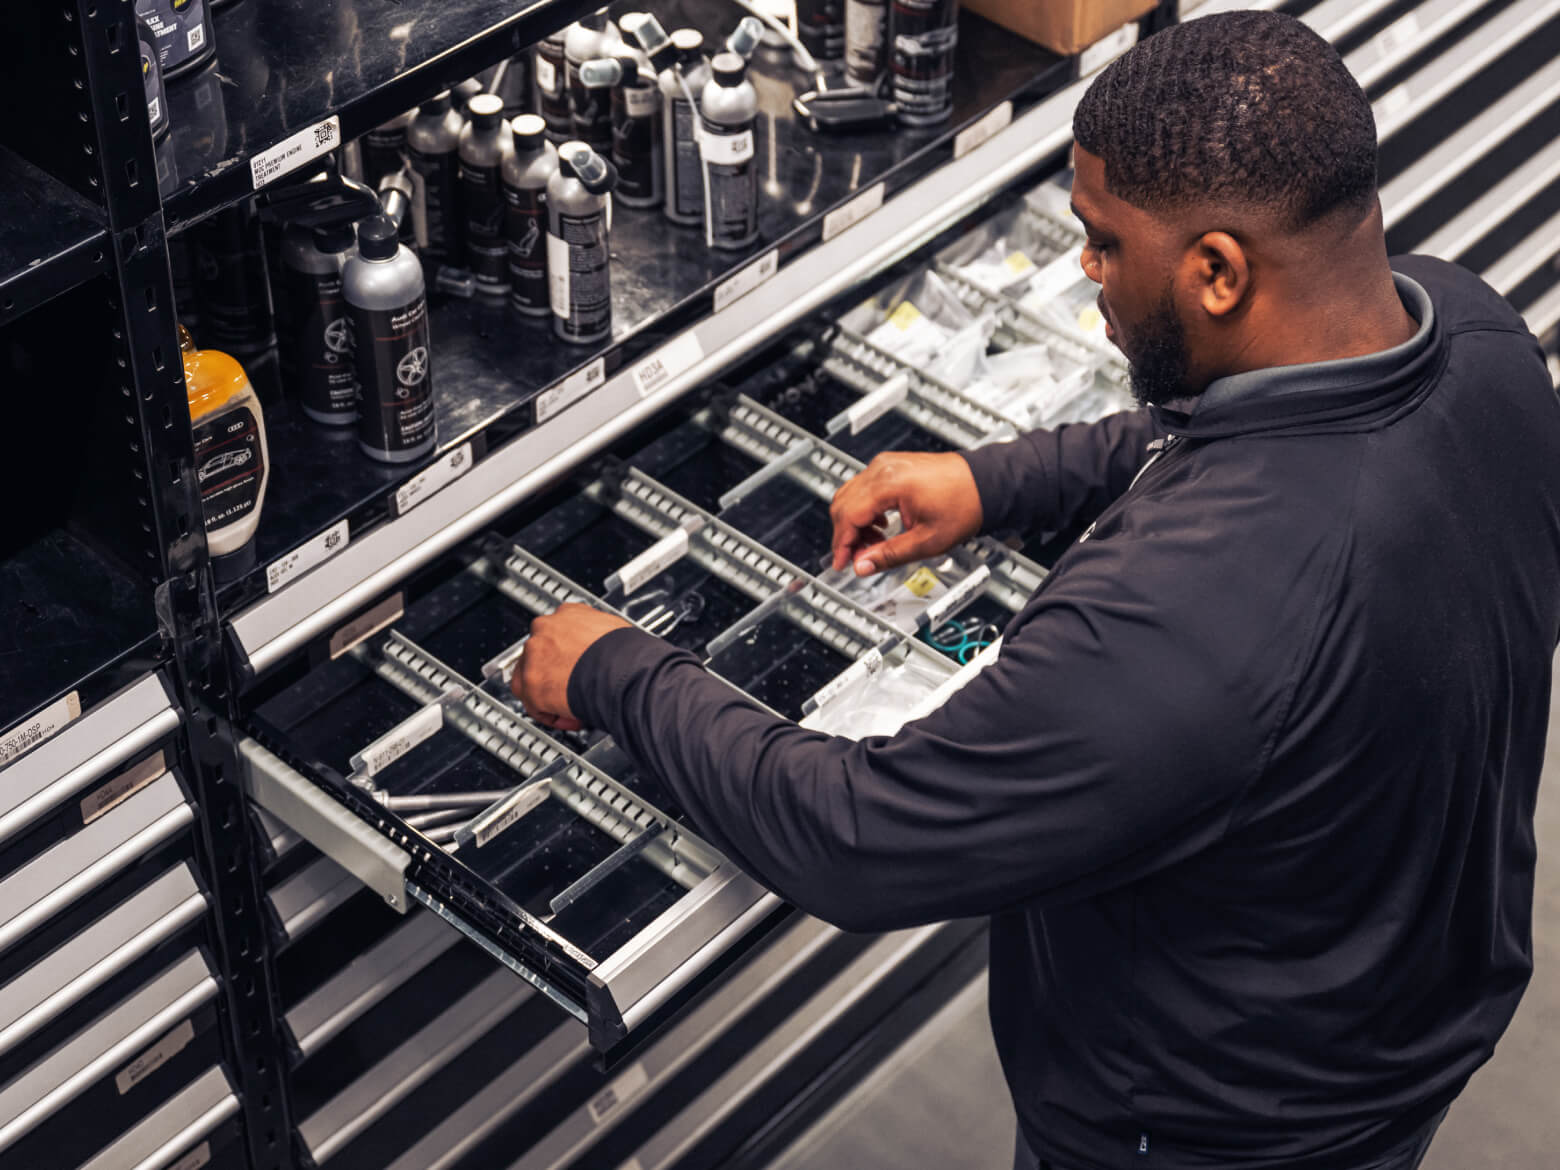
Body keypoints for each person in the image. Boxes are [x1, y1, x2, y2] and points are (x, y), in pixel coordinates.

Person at [514, 12, 1560, 1169]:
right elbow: (1229, 429)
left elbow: (858, 838)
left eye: (1106, 242)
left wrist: (616, 669)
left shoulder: (1193, 615)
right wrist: (996, 480)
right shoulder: (1474, 340)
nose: (1087, 270)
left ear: (1216, 272)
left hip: (1209, 1131)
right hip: (1395, 1020)